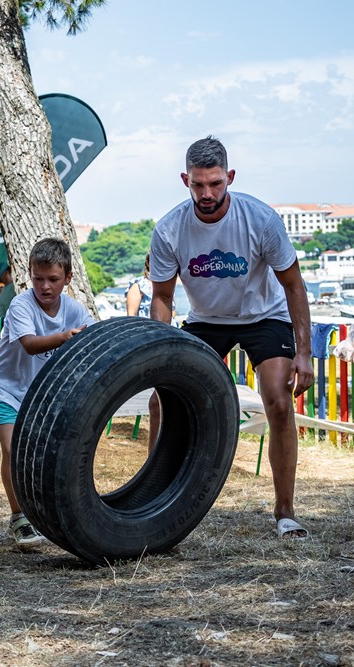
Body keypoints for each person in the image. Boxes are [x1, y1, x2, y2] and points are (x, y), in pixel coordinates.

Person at [149, 135, 313, 539]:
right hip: (206, 319)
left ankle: (285, 511)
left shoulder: (260, 219)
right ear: (185, 180)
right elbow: (162, 297)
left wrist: (305, 353)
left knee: (276, 401)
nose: (207, 194)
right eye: (198, 185)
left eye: (216, 184)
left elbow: (294, 286)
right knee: (163, 398)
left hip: (264, 315)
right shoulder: (170, 229)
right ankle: (151, 500)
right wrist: (156, 354)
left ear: (230, 178)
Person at [0, 238, 94, 545]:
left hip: (40, 395)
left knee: (43, 458)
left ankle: (45, 515)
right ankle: (19, 518)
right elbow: (30, 345)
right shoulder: (21, 305)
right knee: (13, 449)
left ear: (68, 278)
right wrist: (64, 337)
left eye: (53, 280)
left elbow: (93, 344)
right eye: (38, 278)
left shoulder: (75, 310)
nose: (44, 286)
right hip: (4, 387)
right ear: (28, 275)